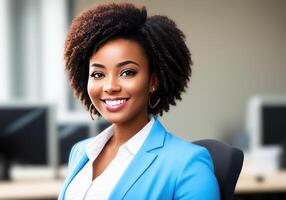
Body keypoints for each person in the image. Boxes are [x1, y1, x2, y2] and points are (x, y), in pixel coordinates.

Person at [59, 3, 220, 200]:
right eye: (98, 74)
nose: (110, 86)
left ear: (153, 81)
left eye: (127, 72)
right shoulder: (81, 151)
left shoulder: (188, 164)